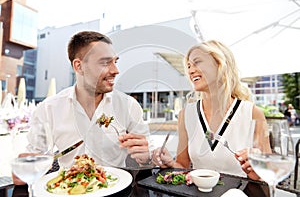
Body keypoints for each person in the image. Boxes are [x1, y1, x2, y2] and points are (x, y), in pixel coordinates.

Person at [13, 31, 153, 185]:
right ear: (78, 66)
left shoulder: (129, 106)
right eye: (105, 63)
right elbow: (34, 160)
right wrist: (26, 170)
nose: (115, 70)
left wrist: (146, 158)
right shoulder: (48, 109)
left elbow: (148, 161)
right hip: (67, 190)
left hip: (116, 188)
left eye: (115, 62)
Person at [152, 40, 271, 180]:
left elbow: (268, 172)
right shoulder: (186, 114)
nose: (190, 70)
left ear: (219, 64)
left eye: (197, 62)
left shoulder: (252, 113)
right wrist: (170, 163)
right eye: (189, 66)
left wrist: (257, 170)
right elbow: (182, 164)